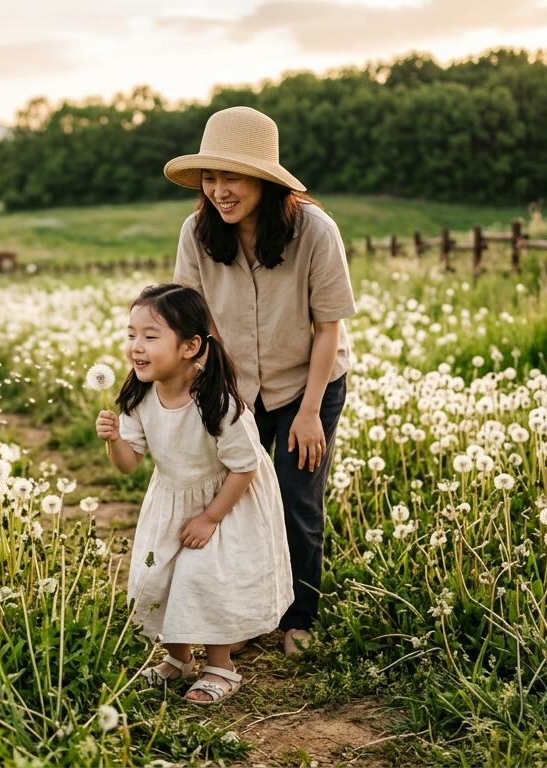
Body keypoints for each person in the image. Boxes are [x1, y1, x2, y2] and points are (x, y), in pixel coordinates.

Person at [164, 106, 356, 656]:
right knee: (236, 501)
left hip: (308, 383)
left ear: (264, 180)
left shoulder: (315, 231)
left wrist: (310, 412)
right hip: (234, 389)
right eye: (210, 177)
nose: (219, 191)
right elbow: (192, 321)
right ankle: (243, 616)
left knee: (297, 499)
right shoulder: (196, 233)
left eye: (232, 177)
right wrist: (193, 395)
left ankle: (298, 618)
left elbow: (327, 328)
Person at [94, 283, 292, 704]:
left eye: (150, 336)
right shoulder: (139, 395)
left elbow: (245, 466)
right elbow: (129, 463)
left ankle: (222, 666)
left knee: (204, 579)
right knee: (157, 577)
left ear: (190, 346)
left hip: (226, 500)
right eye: (131, 334)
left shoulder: (217, 401)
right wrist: (114, 440)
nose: (136, 346)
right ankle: (178, 659)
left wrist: (210, 518)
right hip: (171, 499)